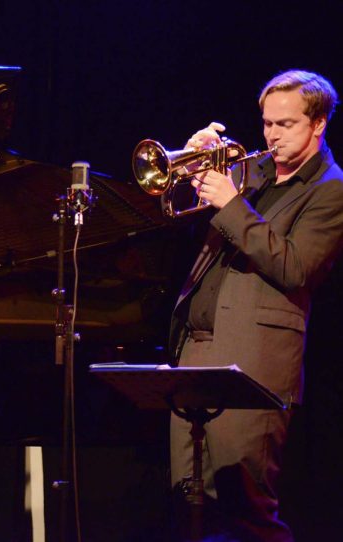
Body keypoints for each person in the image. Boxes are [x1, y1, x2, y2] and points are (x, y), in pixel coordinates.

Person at [169, 69, 343, 541]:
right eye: (266, 123)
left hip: (254, 364)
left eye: (284, 124)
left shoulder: (330, 189)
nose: (271, 134)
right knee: (191, 500)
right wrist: (191, 167)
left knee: (246, 510)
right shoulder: (255, 173)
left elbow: (295, 267)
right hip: (199, 352)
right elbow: (181, 221)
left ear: (318, 123)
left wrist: (230, 202)